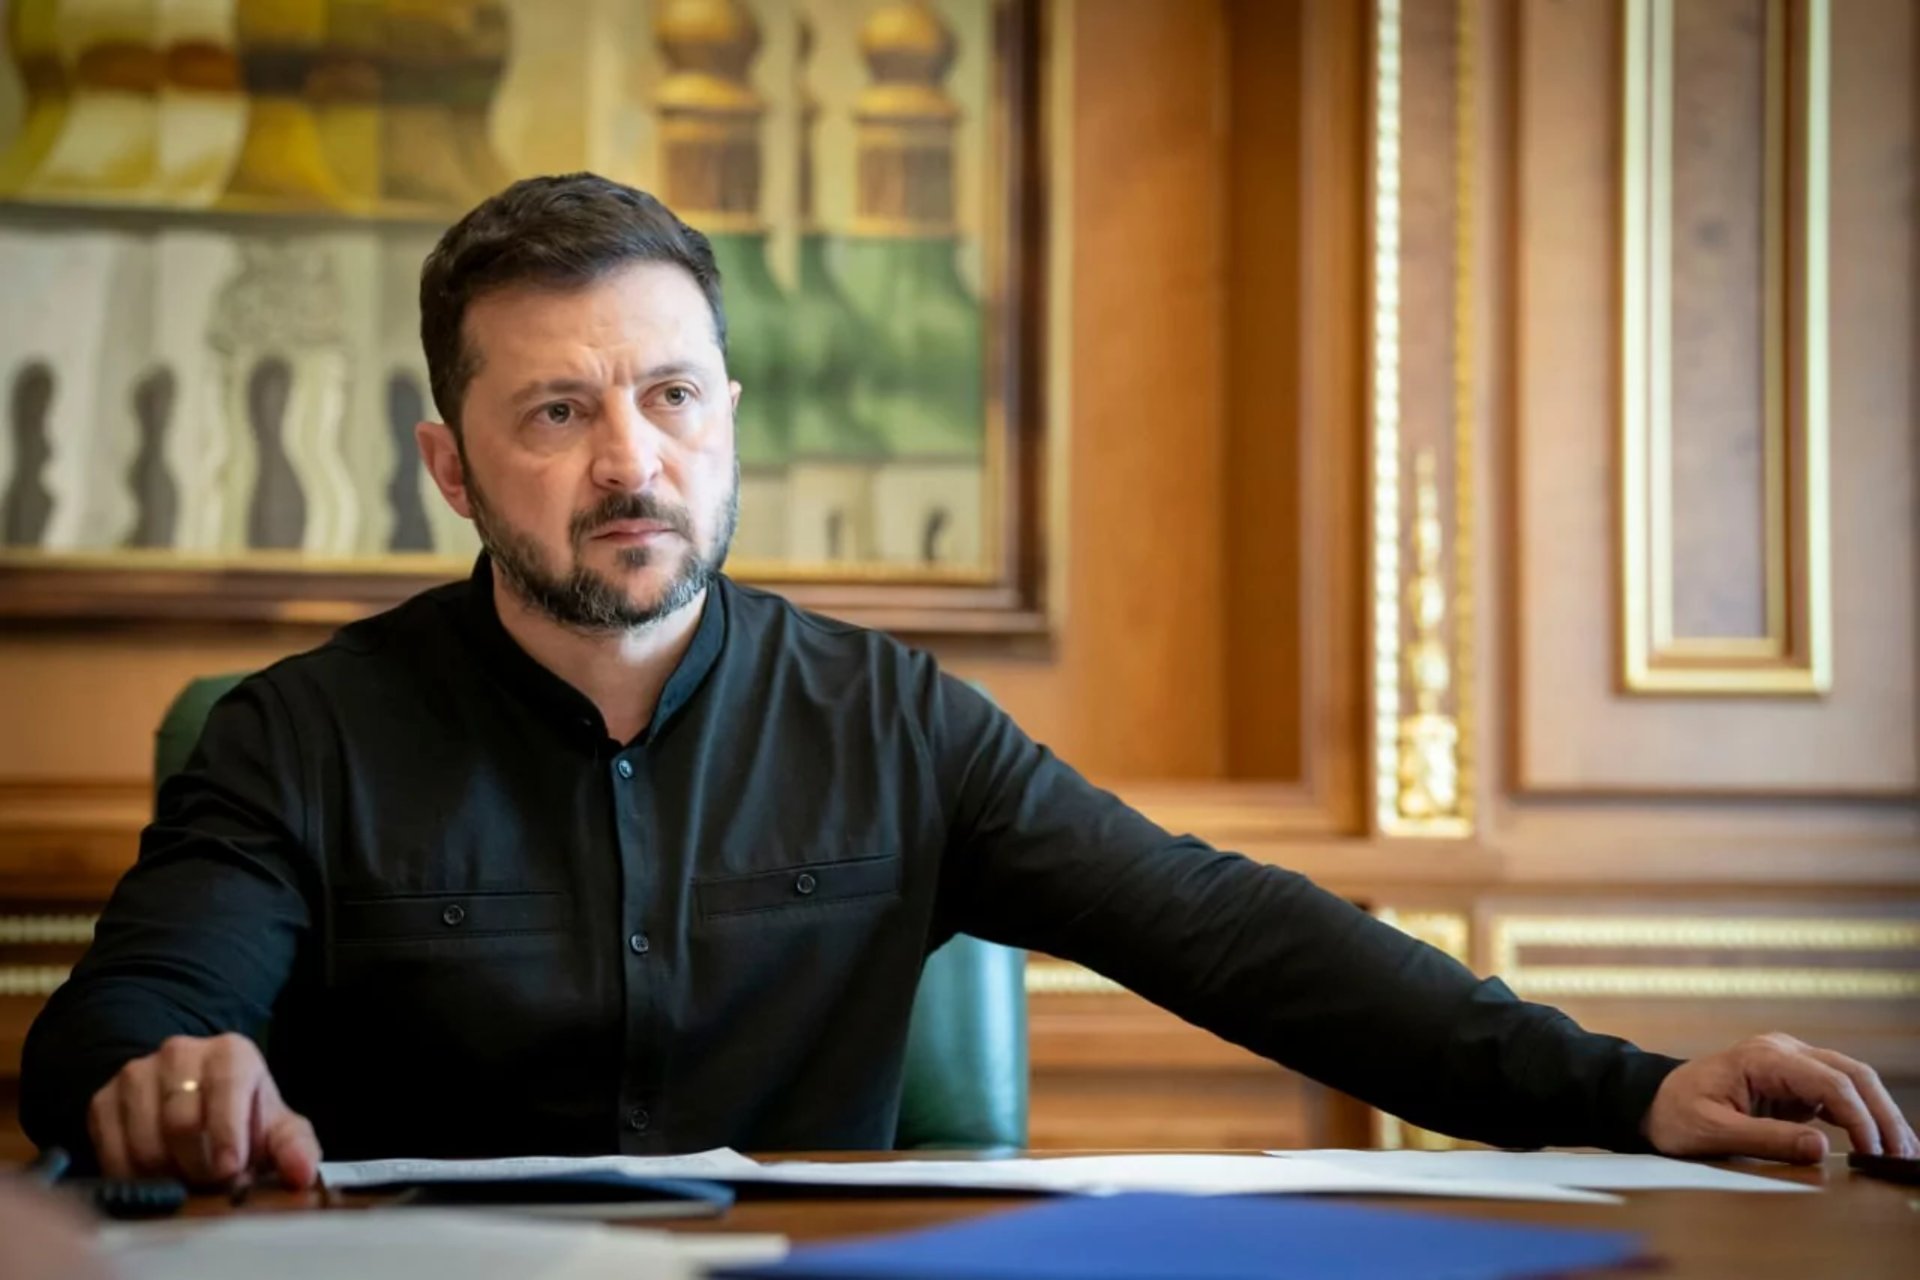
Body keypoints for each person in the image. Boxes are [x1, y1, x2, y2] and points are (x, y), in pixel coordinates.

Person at [21, 175, 1915, 1189]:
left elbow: (1227, 931)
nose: (632, 463)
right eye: (558, 413)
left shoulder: (893, 724)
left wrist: (1628, 1090)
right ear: (451, 466)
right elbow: (118, 1029)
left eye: (671, 397)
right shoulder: (297, 738)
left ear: (730, 416)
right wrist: (164, 1079)